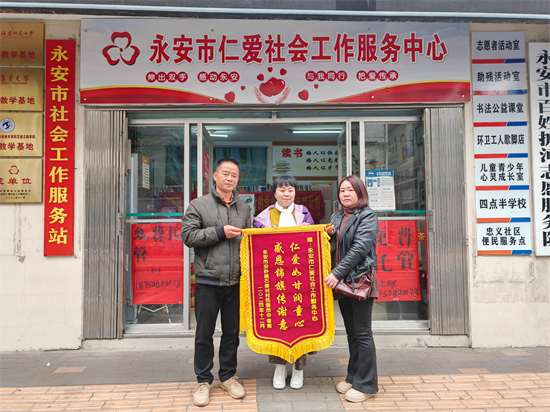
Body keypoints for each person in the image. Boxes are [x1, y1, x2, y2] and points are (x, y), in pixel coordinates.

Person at [181, 157, 251, 407]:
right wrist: (220, 232)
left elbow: (250, 242)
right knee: (204, 333)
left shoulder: (244, 208)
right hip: (208, 280)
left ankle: (228, 376)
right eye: (226, 173)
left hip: (236, 281)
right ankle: (203, 380)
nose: (230, 178)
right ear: (215, 176)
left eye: (234, 175)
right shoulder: (199, 205)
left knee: (232, 333)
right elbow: (188, 236)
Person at [253, 175, 314, 390]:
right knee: (278, 322)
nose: (286, 194)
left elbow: (312, 244)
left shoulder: (304, 213)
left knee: (300, 320)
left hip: (300, 279)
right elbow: (257, 247)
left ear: (295, 192)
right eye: (282, 190)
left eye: (290, 190)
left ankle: (298, 368)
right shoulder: (263, 216)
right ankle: (279, 367)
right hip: (275, 280)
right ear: (274, 193)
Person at [324, 175, 379, 403]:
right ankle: (353, 376)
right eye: (342, 190)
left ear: (360, 192)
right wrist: (325, 235)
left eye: (350, 190)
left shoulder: (368, 216)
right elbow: (333, 247)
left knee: (363, 333)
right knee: (352, 333)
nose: (345, 194)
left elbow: (359, 249)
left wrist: (336, 273)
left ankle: (367, 384)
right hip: (343, 283)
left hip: (359, 281)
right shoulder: (337, 216)